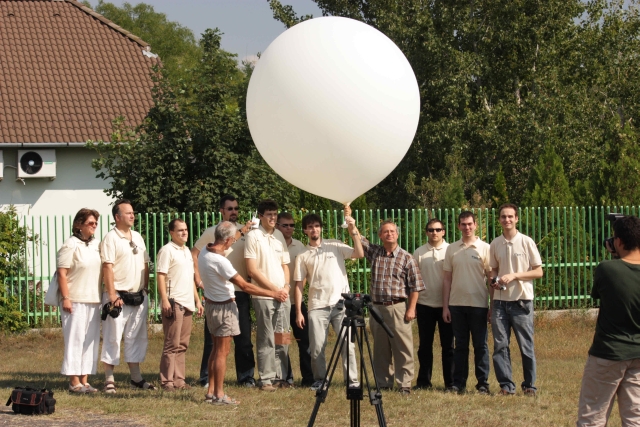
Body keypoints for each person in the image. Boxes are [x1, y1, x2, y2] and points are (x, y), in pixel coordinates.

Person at [199, 221, 289, 405]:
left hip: (211, 306)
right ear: (227, 240)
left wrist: (241, 231)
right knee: (222, 352)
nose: (233, 242)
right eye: (232, 240)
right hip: (224, 308)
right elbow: (245, 286)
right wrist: (273, 293)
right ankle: (219, 395)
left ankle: (210, 392)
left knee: (215, 350)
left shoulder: (204, 252)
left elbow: (224, 243)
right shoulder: (221, 262)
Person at [576, 215, 640, 426]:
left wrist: (614, 256)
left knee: (592, 416)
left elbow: (600, 292)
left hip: (608, 352)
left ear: (618, 241)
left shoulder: (607, 268)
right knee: (635, 417)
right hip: (638, 354)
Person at [294, 210, 363, 391]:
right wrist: (299, 312)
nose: (314, 229)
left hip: (341, 304)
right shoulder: (302, 255)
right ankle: (320, 380)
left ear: (321, 228)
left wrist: (353, 229)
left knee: (347, 345)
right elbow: (299, 285)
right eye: (310, 227)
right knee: (317, 347)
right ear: (305, 231)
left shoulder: (335, 244)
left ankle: (352, 381)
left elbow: (359, 253)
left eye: (317, 226)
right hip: (317, 306)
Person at [191, 195, 254, 388]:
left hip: (240, 291)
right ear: (221, 211)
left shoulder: (248, 231)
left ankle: (246, 377)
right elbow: (194, 254)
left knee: (244, 338)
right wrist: (199, 280)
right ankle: (206, 378)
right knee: (214, 341)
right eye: (230, 208)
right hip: (218, 294)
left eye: (236, 208)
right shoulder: (213, 232)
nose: (234, 212)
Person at [361, 219, 425, 395]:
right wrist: (350, 222)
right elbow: (359, 239)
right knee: (380, 348)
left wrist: (411, 309)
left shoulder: (407, 258)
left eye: (392, 231)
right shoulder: (375, 253)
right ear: (380, 236)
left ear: (397, 234)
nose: (389, 234)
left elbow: (415, 286)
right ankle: (383, 382)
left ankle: (404, 383)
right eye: (386, 231)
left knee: (402, 347)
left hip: (397, 308)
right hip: (377, 308)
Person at [100, 199, 154, 393]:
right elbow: (107, 267)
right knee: (113, 337)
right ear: (117, 217)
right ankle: (109, 378)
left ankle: (136, 378)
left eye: (133, 212)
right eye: (128, 213)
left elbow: (145, 264)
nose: (132, 215)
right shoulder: (110, 238)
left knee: (136, 336)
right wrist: (112, 295)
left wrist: (145, 289)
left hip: (138, 295)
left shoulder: (137, 237)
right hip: (118, 297)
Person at [489, 203, 543, 396]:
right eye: (503, 217)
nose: (507, 220)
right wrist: (494, 281)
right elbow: (493, 270)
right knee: (500, 345)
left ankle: (529, 386)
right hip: (500, 302)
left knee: (526, 346)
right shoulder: (495, 243)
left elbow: (538, 271)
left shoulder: (526, 242)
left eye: (510, 216)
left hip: (522, 301)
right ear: (499, 220)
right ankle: (506, 386)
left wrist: (514, 276)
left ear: (517, 219)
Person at [442, 211, 491, 394]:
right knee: (460, 346)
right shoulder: (452, 249)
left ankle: (482, 384)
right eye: (463, 224)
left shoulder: (485, 248)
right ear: (458, 226)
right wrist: (445, 306)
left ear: (475, 225)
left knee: (480, 346)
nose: (467, 227)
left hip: (479, 305)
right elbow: (447, 279)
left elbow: (491, 279)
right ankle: (458, 383)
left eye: (470, 224)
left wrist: (492, 306)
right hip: (456, 305)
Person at [245, 199, 291, 392]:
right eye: (269, 214)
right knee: (266, 338)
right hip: (264, 296)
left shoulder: (279, 235)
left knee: (282, 338)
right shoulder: (253, 236)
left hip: (283, 295)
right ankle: (266, 379)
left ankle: (281, 377)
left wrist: (286, 287)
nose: (273, 217)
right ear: (261, 216)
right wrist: (274, 290)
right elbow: (252, 270)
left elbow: (285, 265)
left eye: (275, 214)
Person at [57, 208, 102, 393]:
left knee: (90, 341)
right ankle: (74, 381)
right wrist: (66, 298)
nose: (94, 226)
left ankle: (85, 380)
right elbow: (62, 273)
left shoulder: (97, 245)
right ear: (79, 225)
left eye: (96, 223)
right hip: (74, 299)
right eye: (90, 223)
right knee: (75, 340)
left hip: (94, 298)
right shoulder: (70, 244)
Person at [157, 218, 204, 391]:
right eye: (180, 230)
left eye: (185, 229)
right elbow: (161, 276)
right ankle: (167, 381)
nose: (184, 232)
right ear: (172, 233)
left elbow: (190, 278)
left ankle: (179, 380)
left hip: (188, 303)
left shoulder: (186, 252)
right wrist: (164, 299)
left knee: (182, 345)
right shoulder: (167, 250)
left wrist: (197, 300)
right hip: (174, 302)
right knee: (172, 343)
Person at [412, 218, 454, 389]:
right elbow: (414, 280)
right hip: (424, 304)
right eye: (430, 230)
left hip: (447, 305)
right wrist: (413, 305)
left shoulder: (451, 250)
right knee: (424, 346)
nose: (434, 233)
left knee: (448, 346)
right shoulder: (419, 252)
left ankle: (450, 383)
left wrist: (449, 305)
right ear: (426, 232)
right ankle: (423, 382)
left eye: (437, 230)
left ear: (443, 231)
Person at [275, 212, 314, 387]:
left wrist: (299, 290)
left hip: (296, 302)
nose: (289, 228)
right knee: (282, 341)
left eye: (292, 225)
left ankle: (309, 378)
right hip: (279, 301)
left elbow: (304, 274)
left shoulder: (300, 246)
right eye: (285, 225)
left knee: (305, 341)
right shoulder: (274, 245)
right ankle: (285, 378)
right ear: (277, 226)